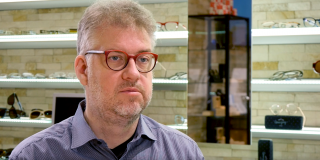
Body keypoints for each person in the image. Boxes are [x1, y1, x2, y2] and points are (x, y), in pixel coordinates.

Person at [9, 0, 204, 159]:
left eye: (143, 59)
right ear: (84, 70)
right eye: (116, 58)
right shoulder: (34, 155)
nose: (134, 73)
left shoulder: (184, 153)